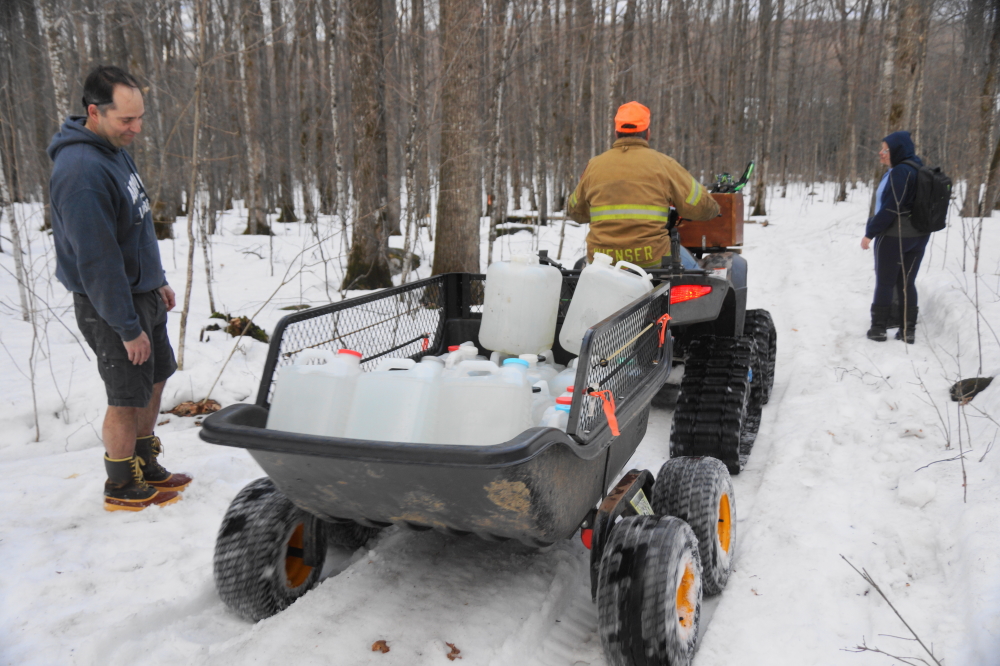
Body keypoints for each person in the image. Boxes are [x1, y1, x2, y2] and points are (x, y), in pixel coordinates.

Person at [48, 65, 192, 511]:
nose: (137, 128)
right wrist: (127, 326)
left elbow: (137, 223)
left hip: (141, 291)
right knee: (126, 394)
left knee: (156, 375)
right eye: (126, 120)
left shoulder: (113, 148)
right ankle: (121, 483)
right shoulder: (81, 173)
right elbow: (98, 262)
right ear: (94, 112)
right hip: (110, 303)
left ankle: (145, 462)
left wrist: (157, 280)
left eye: (140, 117)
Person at [567, 101, 720, 268]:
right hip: (652, 259)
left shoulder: (594, 166)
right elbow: (702, 207)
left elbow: (575, 212)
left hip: (602, 262)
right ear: (647, 133)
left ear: (616, 132)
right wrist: (715, 209)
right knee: (697, 275)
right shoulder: (664, 164)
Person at [860, 131, 930, 343]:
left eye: (886, 149)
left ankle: (878, 328)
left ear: (897, 150)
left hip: (894, 236)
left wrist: (870, 233)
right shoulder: (919, 168)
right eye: (881, 149)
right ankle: (908, 331)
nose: (881, 153)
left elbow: (891, 208)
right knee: (907, 283)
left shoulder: (900, 172)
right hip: (919, 236)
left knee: (885, 282)